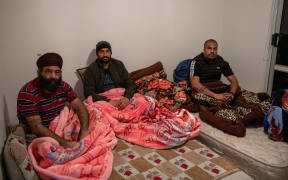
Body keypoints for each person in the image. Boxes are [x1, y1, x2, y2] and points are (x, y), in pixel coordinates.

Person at [17, 53, 89, 148]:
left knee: (94, 111)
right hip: (42, 136)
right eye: (48, 72)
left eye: (57, 72)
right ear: (39, 72)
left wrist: (84, 131)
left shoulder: (63, 86)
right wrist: (66, 144)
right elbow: (37, 128)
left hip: (62, 126)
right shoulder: (27, 93)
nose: (54, 76)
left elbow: (79, 106)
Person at [83, 41, 136, 109]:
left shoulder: (118, 64)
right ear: (97, 54)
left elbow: (130, 83)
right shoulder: (91, 70)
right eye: (101, 52)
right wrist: (108, 101)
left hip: (122, 97)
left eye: (107, 51)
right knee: (99, 114)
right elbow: (88, 93)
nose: (105, 54)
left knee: (145, 102)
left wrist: (127, 98)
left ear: (110, 53)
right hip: (103, 100)